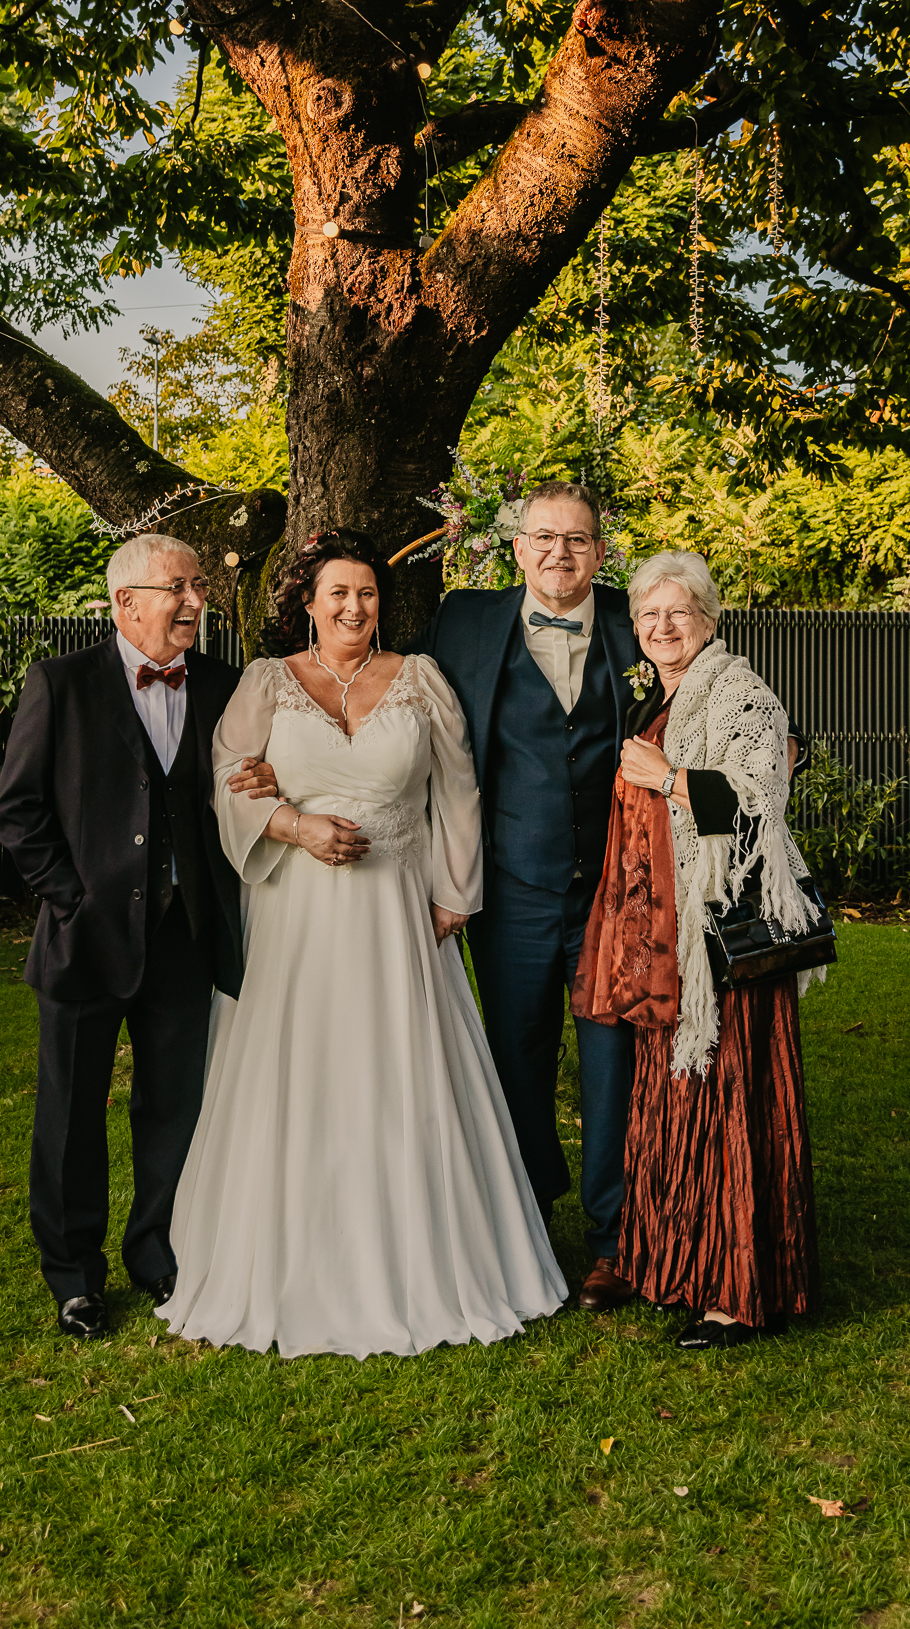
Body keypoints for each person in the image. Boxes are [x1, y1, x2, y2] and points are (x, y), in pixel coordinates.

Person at [161, 529, 566, 1359]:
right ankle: (294, 1261)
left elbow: (459, 790)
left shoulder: (422, 680)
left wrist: (454, 893)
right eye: (338, 593)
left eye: (368, 593)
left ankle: (425, 1257)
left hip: (397, 913)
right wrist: (292, 823)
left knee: (400, 1072)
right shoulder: (267, 684)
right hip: (296, 912)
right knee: (303, 1072)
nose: (354, 607)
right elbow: (228, 781)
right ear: (307, 604)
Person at [0, 532, 278, 1340]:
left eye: (198, 586)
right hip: (85, 938)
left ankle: (159, 1252)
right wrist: (72, 899)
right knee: (71, 1114)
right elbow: (18, 811)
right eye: (177, 587)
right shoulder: (61, 683)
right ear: (126, 602)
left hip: (187, 936)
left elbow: (241, 786)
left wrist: (268, 780)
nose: (195, 601)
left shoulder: (223, 685)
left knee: (175, 1107)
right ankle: (74, 1277)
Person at [572, 550, 822, 1348]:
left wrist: (668, 776)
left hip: (721, 949)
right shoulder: (663, 696)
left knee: (726, 1107)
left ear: (709, 619)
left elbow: (758, 805)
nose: (663, 626)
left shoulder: (738, 691)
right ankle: (682, 1267)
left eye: (678, 611)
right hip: (666, 943)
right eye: (648, 614)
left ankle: (736, 1294)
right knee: (677, 1109)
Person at [415, 481, 642, 1312]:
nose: (559, 553)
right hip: (509, 892)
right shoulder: (464, 622)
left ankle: (616, 1241)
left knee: (615, 1066)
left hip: (614, 895)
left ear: (601, 552)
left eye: (576, 539)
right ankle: (526, 1232)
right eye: (543, 537)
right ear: (517, 548)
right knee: (516, 1063)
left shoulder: (637, 620)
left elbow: (709, 679)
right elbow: (387, 699)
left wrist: (778, 739)